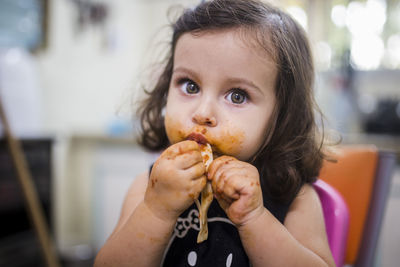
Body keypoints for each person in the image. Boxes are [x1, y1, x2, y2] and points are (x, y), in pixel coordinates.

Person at [95, 0, 335, 266]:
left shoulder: (294, 197)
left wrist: (254, 219)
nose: (202, 112)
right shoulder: (148, 187)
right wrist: (156, 211)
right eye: (190, 86)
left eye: (237, 95)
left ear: (282, 116)